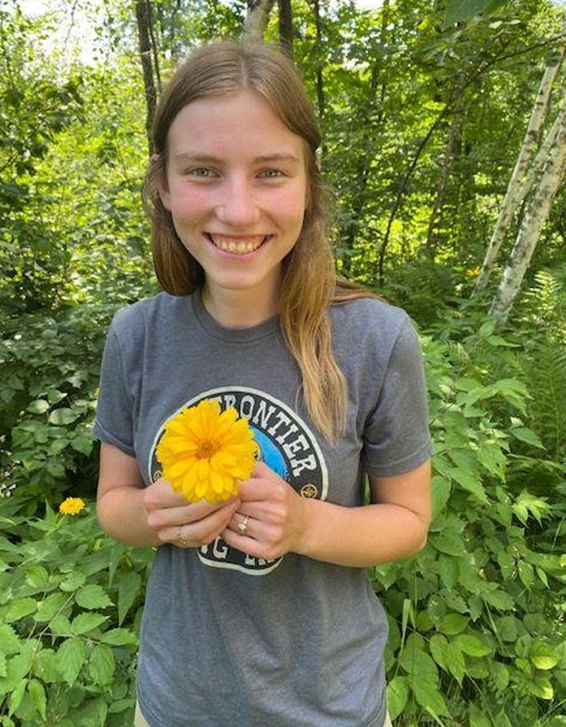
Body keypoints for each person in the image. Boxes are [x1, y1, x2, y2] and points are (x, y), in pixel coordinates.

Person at [94, 39, 432, 727]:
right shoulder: (136, 337)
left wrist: (306, 523)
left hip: (329, 706)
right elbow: (112, 505)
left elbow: (408, 523)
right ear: (162, 183)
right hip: (175, 704)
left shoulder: (375, 339)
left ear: (308, 183)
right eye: (204, 171)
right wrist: (157, 513)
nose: (239, 210)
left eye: (271, 172)